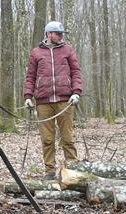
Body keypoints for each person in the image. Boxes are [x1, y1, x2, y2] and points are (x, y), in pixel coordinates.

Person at [23, 21, 82, 180]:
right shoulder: (36, 53)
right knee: (47, 139)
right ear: (49, 34)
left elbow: (76, 72)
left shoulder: (68, 50)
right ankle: (49, 171)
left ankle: (72, 169)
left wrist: (76, 92)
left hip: (65, 100)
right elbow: (30, 76)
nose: (61, 36)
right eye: (58, 33)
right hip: (43, 102)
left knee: (67, 138)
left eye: (62, 33)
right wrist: (28, 96)